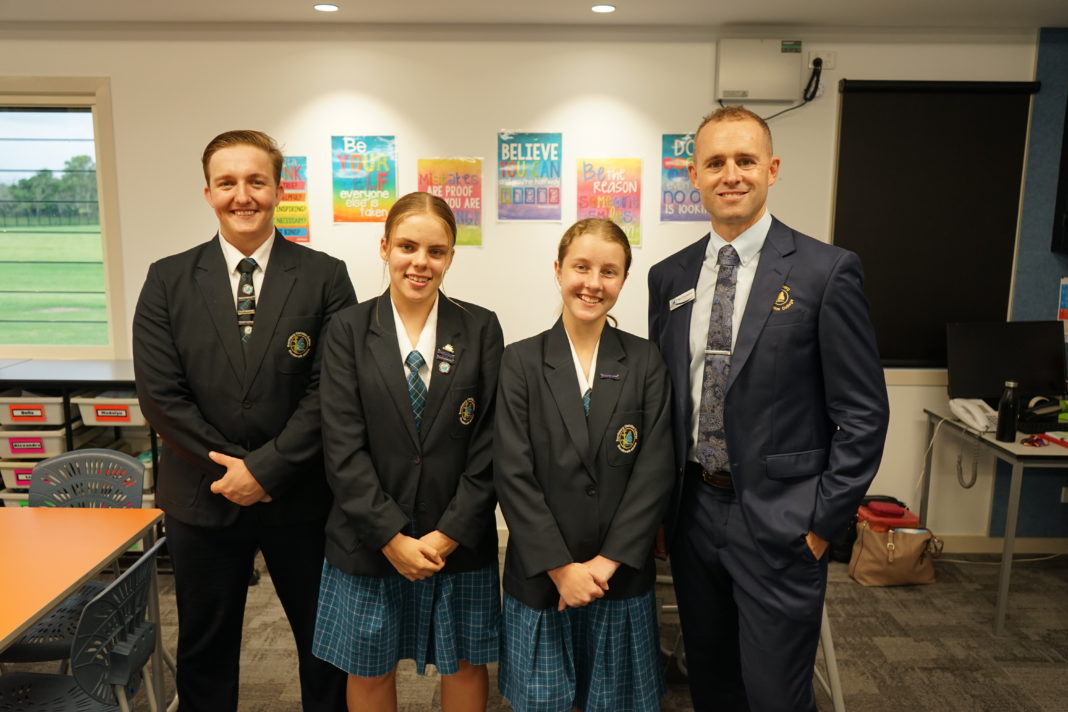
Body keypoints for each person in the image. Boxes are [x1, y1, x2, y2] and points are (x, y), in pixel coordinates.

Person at [647, 105, 890, 712]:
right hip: (694, 512)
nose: (731, 174)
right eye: (715, 162)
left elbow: (862, 412)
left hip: (783, 522)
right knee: (712, 683)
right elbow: (664, 400)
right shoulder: (667, 277)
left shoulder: (825, 271)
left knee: (775, 695)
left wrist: (822, 525)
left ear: (772, 169)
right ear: (693, 176)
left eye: (745, 160)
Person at [132, 129, 354, 712]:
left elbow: (331, 389)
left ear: (278, 189)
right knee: (205, 649)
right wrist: (232, 469)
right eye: (227, 182)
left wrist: (268, 470)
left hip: (302, 497)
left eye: (256, 181)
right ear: (207, 192)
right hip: (202, 498)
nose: (243, 195)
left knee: (324, 647)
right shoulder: (167, 279)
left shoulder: (325, 275)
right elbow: (160, 395)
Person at [312, 191, 503, 712]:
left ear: (450, 258)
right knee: (369, 668)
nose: (420, 262)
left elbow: (490, 445)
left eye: (435, 251)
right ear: (384, 248)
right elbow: (342, 447)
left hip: (457, 539)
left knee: (464, 664)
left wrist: (446, 536)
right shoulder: (348, 330)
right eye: (407, 247)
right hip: (368, 539)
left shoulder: (481, 328)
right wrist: (391, 537)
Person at [494, 218, 675, 712]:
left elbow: (655, 472)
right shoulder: (521, 362)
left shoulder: (645, 361)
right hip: (542, 575)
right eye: (581, 266)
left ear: (623, 280)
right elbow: (512, 473)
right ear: (558, 270)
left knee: (615, 702)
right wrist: (561, 569)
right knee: (544, 702)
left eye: (609, 271)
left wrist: (604, 564)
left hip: (617, 576)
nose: (593, 283)